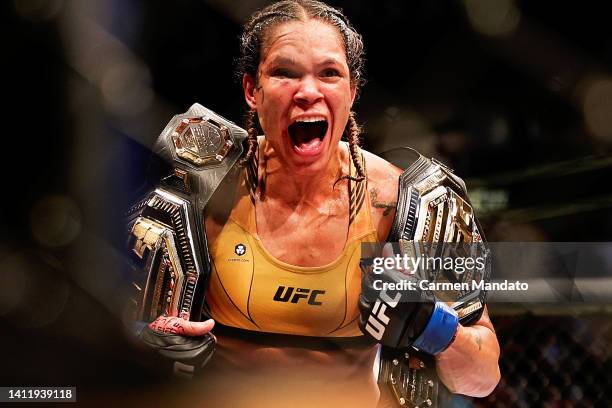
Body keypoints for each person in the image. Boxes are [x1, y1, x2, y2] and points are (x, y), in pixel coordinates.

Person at [141, 1, 500, 406]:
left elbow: (482, 378)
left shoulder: (403, 203)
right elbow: (117, 326)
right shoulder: (205, 188)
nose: (307, 92)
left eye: (329, 73)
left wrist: (432, 324)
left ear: (352, 91)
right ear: (251, 91)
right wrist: (151, 340)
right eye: (284, 72)